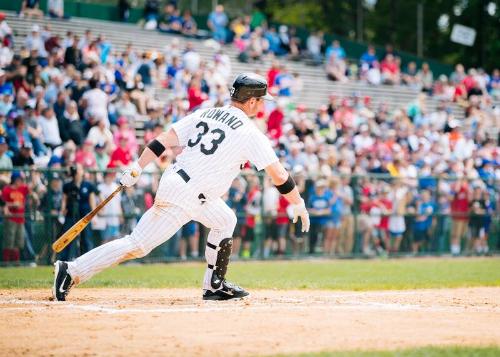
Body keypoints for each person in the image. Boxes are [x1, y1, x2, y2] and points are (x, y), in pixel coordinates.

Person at [53, 73, 310, 301]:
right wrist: (298, 203)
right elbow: (278, 175)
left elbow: (164, 140)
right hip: (185, 194)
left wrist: (138, 166)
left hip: (185, 185)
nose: (263, 105)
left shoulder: (206, 112)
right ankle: (72, 270)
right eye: (262, 100)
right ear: (251, 101)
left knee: (225, 219)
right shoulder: (249, 132)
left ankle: (214, 285)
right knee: (138, 244)